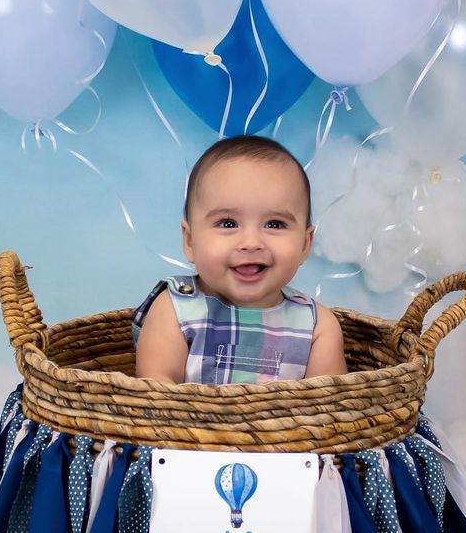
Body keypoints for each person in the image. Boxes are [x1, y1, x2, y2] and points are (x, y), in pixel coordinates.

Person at [134, 135, 348, 384]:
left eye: (275, 224)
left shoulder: (316, 326)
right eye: (228, 223)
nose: (251, 242)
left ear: (304, 244)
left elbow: (329, 408)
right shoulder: (175, 309)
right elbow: (156, 397)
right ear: (190, 241)